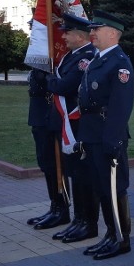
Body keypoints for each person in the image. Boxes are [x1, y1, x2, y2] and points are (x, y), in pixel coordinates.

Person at [77, 10, 134, 260]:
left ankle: (121, 239)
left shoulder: (119, 62)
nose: (91, 34)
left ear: (112, 34)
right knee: (102, 187)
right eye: (91, 30)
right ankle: (110, 234)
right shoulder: (98, 58)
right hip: (93, 132)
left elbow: (121, 107)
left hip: (108, 135)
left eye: (96, 30)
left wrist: (113, 140)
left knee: (114, 188)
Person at [46, 13, 98, 243]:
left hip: (77, 124)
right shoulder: (72, 56)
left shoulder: (85, 57)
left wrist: (50, 82)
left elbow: (65, 85)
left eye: (67, 32)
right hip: (68, 123)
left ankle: (87, 222)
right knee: (74, 173)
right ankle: (79, 220)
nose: (63, 36)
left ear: (79, 36)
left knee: (83, 175)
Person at [25, 22, 65, 229]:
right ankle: (54, 206)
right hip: (39, 117)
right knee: (46, 164)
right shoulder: (39, 57)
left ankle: (61, 209)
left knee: (53, 165)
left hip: (49, 118)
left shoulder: (50, 57)